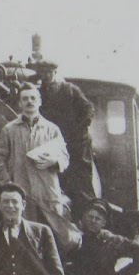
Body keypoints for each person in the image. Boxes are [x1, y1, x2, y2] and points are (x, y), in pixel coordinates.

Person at [0, 82, 79, 251]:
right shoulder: (9, 129)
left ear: (39, 101)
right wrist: (8, 184)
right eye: (25, 99)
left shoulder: (52, 129)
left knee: (58, 236)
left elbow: (65, 157)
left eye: (33, 98)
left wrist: (54, 162)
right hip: (22, 191)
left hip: (47, 190)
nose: (29, 102)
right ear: (20, 103)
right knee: (25, 235)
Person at [32, 61, 95, 216]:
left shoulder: (70, 90)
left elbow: (88, 110)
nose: (46, 76)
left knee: (80, 179)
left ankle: (87, 212)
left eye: (49, 73)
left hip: (75, 142)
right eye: (43, 73)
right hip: (50, 142)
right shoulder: (38, 93)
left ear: (55, 73)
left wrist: (77, 130)